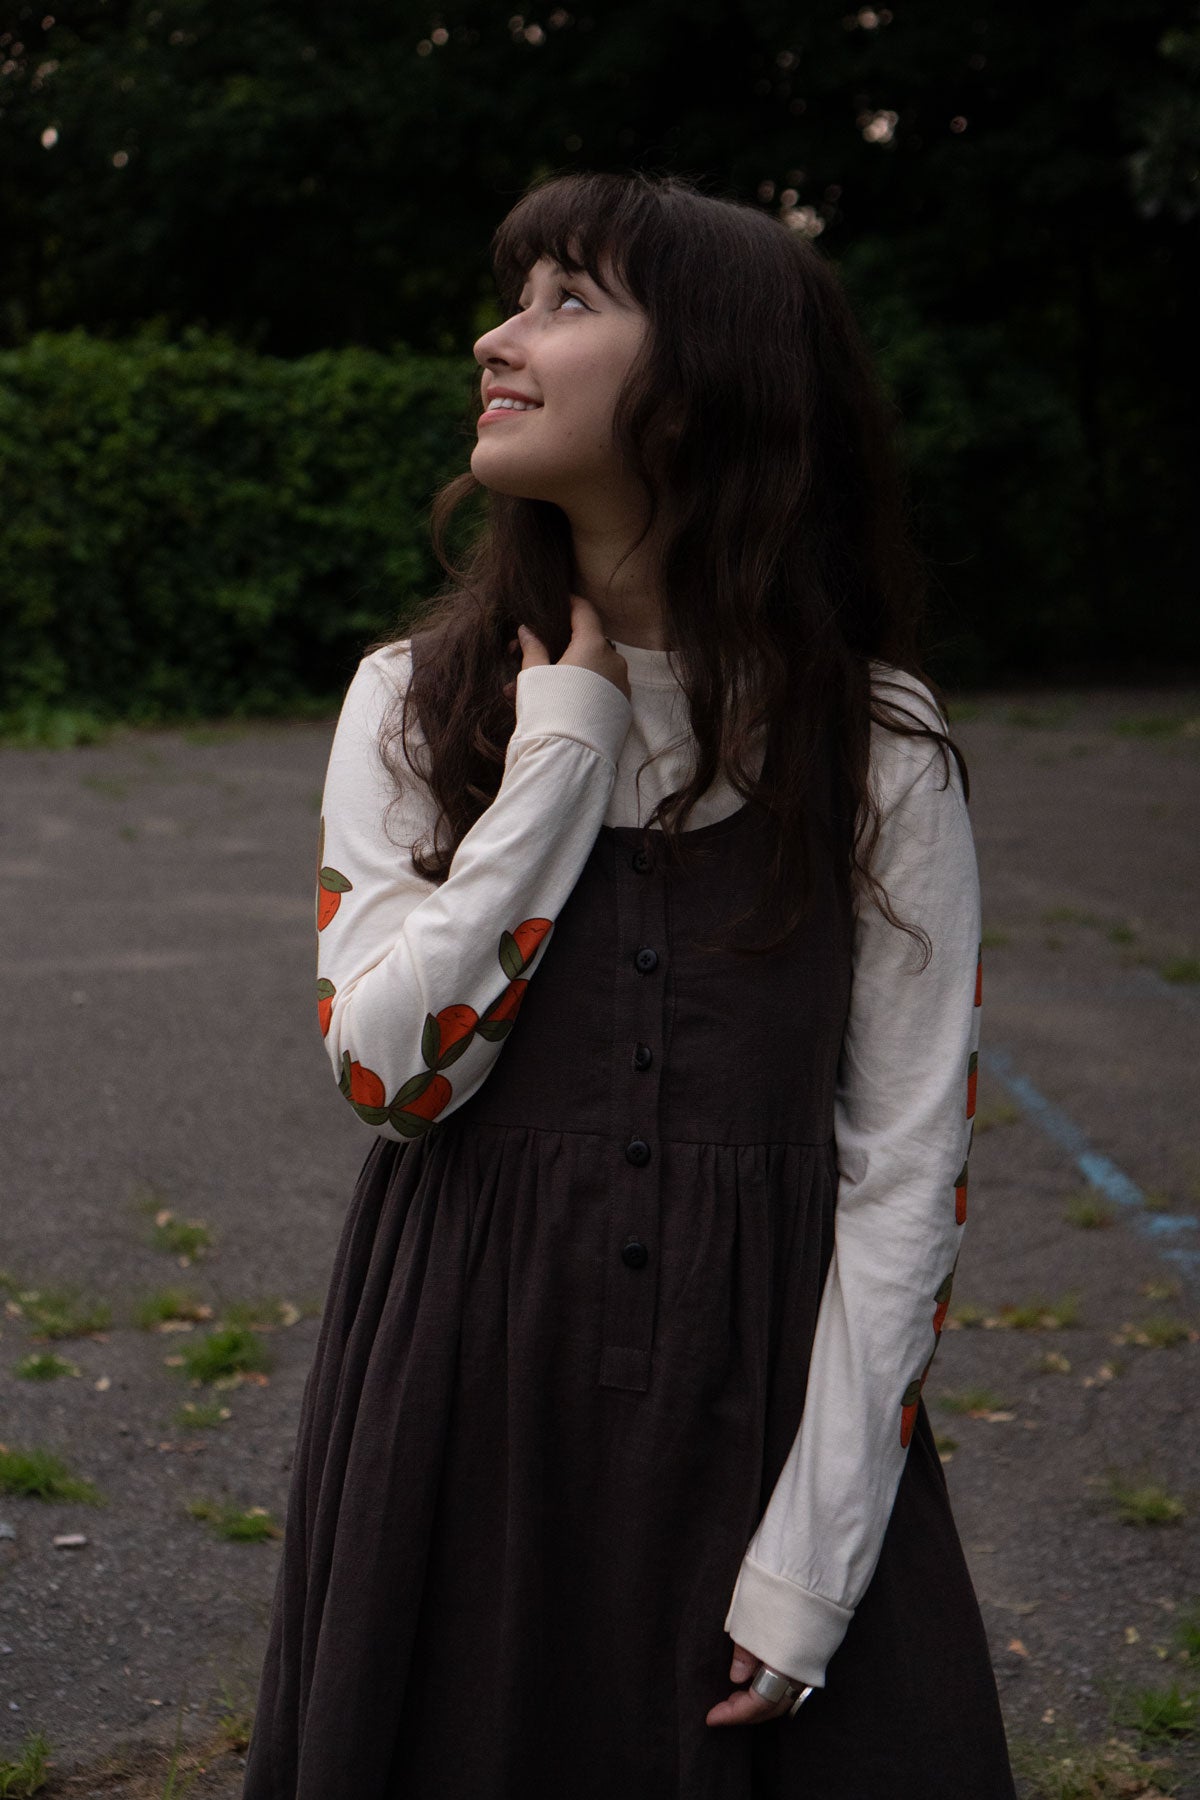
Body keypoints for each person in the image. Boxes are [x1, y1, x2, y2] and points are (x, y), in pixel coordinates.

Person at [242, 170, 1017, 1798]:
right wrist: (560, 756)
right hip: (460, 1397)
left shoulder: (876, 748)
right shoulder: (412, 700)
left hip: (763, 1413)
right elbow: (394, 1077)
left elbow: (907, 1178)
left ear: (710, 387)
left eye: (566, 300)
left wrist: (815, 1557)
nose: (497, 336)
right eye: (512, 294)